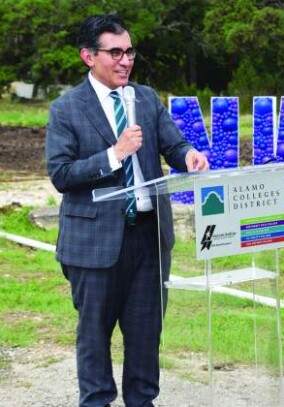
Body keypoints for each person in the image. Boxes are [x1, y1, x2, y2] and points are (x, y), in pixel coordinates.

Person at [45, 14, 209, 407]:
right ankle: (97, 401)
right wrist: (114, 155)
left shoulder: (146, 98)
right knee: (94, 336)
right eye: (114, 52)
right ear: (89, 56)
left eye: (129, 51)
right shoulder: (66, 109)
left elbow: (174, 143)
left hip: (149, 238)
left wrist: (188, 156)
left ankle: (142, 401)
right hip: (94, 244)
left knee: (145, 333)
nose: (125, 60)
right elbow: (61, 174)